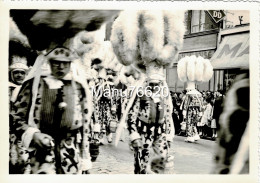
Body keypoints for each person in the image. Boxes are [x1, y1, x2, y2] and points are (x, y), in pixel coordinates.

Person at [10, 47, 92, 174]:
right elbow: (15, 116)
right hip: (41, 155)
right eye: (56, 62)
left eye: (65, 62)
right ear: (49, 62)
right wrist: (33, 134)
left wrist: (85, 156)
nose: (61, 66)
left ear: (70, 63)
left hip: (70, 155)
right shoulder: (34, 85)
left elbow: (86, 123)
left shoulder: (78, 87)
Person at [127, 74, 173, 174]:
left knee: (162, 158)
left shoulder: (163, 96)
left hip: (160, 132)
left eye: (156, 84)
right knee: (142, 162)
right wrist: (134, 135)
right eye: (151, 84)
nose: (153, 87)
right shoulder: (141, 95)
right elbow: (131, 115)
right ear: (147, 83)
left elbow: (168, 115)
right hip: (144, 132)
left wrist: (169, 135)